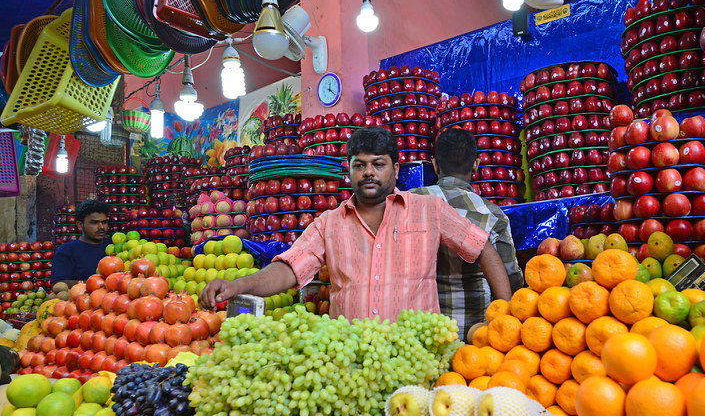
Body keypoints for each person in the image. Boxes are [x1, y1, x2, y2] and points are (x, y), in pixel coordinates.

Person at [198, 128, 512, 325]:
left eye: (378, 164)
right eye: (359, 165)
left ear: (395, 168)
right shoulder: (329, 223)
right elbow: (290, 269)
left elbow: (480, 245)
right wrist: (238, 286)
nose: (368, 172)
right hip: (350, 361)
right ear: (349, 170)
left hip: (415, 355)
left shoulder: (427, 209)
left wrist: (505, 314)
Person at [411, 128, 524, 335]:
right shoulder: (493, 215)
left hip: (422, 333)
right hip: (476, 335)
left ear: (435, 165)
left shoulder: (412, 201)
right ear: (476, 165)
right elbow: (512, 280)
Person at [51, 199, 111, 287]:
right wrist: (95, 284)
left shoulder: (112, 246)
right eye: (94, 223)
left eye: (104, 222)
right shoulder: (67, 250)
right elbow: (58, 284)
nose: (101, 227)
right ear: (80, 224)